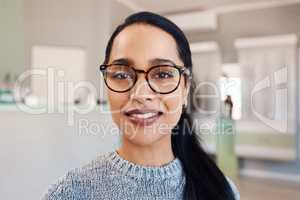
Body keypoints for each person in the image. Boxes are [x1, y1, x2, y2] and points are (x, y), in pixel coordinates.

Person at [42, 11, 240, 200]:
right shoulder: (70, 193)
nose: (141, 94)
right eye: (121, 75)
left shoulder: (221, 190)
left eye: (162, 74)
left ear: (185, 88)